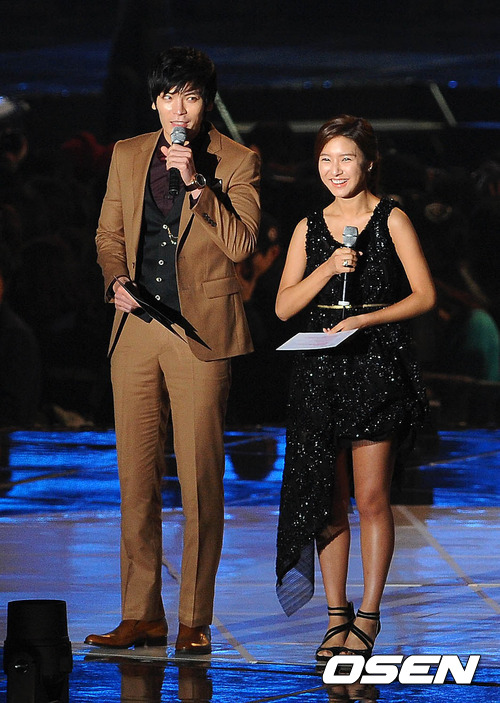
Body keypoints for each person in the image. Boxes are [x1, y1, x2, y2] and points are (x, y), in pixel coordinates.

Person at [85, 47, 260, 652]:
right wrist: (115, 280)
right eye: (168, 97)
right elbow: (108, 233)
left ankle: (193, 619)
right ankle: (141, 613)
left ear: (207, 102)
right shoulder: (128, 153)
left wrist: (196, 183)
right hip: (135, 328)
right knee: (136, 478)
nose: (178, 109)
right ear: (154, 102)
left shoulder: (236, 160)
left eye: (191, 97)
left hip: (199, 332)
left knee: (199, 480)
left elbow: (241, 245)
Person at [274, 115, 436, 666]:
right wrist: (326, 269)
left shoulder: (392, 218)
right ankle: (335, 616)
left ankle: (369, 614)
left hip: (375, 367)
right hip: (319, 374)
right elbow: (283, 307)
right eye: (326, 159)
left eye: (345, 159)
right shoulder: (308, 227)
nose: (335, 170)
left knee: (370, 499)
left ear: (368, 163)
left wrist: (366, 320)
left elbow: (424, 295)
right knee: (327, 500)